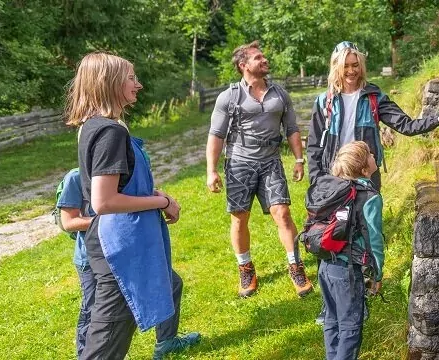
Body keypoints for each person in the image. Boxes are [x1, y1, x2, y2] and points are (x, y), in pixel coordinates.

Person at [66, 52, 199, 360]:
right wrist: (162, 201)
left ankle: (167, 341)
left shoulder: (93, 125)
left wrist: (156, 197)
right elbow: (104, 200)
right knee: (107, 337)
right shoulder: (109, 131)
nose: (138, 85)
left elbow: (120, 185)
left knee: (116, 329)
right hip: (117, 243)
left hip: (117, 239)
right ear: (108, 82)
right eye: (131, 78)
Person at [205, 40, 312, 298]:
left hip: (271, 162)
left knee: (283, 214)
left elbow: (292, 129)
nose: (264, 61)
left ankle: (295, 266)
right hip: (239, 163)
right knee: (240, 217)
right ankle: (246, 268)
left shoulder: (279, 94)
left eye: (264, 57)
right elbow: (216, 134)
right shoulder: (229, 96)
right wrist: (212, 169)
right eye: (258, 58)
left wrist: (299, 159)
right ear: (243, 65)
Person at [55, 169, 197, 359]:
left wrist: (161, 200)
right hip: (91, 259)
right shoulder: (75, 177)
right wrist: (111, 220)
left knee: (172, 284)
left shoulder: (120, 176)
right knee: (93, 312)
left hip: (128, 251)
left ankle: (167, 342)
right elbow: (69, 222)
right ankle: (84, 355)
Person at [307, 41, 439, 190]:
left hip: (366, 174)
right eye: (345, 66)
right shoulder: (324, 101)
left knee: (368, 218)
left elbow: (407, 126)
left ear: (361, 66)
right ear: (336, 67)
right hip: (335, 173)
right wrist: (316, 180)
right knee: (338, 220)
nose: (351, 71)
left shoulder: (374, 98)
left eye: (355, 65)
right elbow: (314, 145)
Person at [307, 141, 384, 360]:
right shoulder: (370, 197)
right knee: (351, 327)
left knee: (332, 320)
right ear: (363, 168)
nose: (373, 155)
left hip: (326, 266)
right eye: (369, 154)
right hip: (347, 272)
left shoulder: (337, 189)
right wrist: (377, 274)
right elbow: (374, 240)